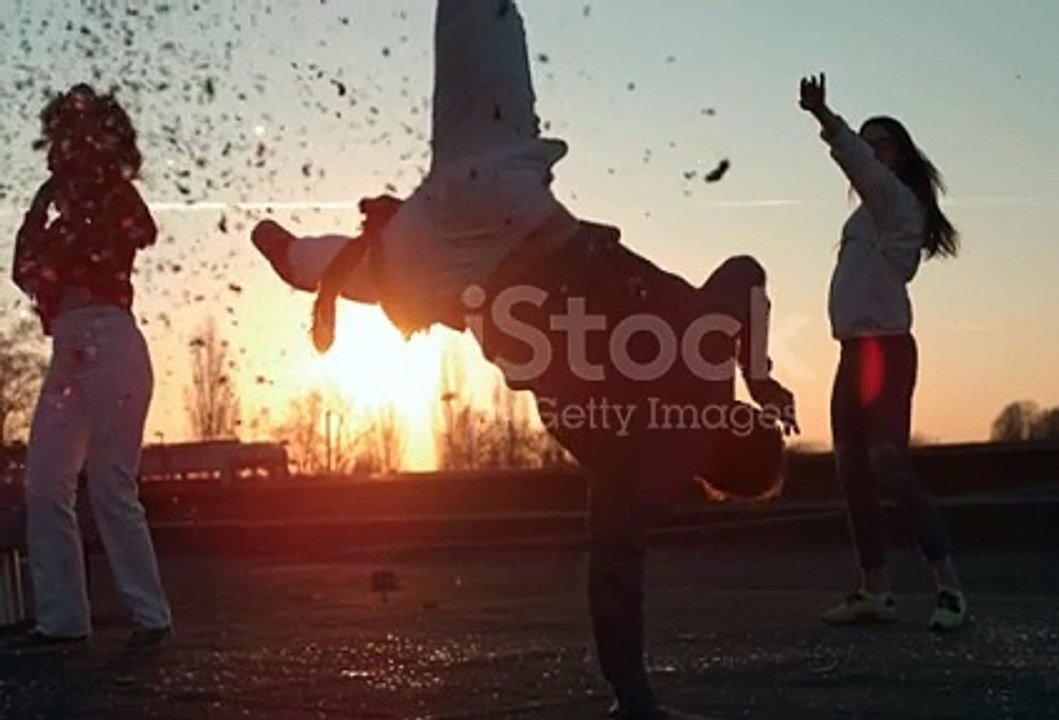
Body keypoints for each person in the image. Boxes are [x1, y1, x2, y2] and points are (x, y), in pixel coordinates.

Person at [250, 2, 796, 717]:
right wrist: (635, 698)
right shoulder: (641, 466)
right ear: (710, 476)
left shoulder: (709, 355)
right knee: (372, 277)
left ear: (746, 423)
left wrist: (760, 373)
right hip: (457, 278)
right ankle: (288, 255)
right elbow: (614, 576)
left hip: (505, 197)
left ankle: (299, 254)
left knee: (479, 17)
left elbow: (747, 272)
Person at [797, 73, 967, 631]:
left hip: (885, 352)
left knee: (886, 462)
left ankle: (949, 591)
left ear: (899, 157)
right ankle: (875, 590)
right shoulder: (865, 216)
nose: (870, 152)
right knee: (851, 470)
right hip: (853, 352)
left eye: (881, 144)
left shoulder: (899, 202)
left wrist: (826, 119)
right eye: (866, 142)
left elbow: (858, 165)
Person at [6, 84, 173, 653]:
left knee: (109, 481)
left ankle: (150, 617)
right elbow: (21, 268)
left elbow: (137, 232)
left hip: (111, 341)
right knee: (46, 481)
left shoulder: (115, 195)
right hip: (69, 350)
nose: (65, 151)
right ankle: (62, 620)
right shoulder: (55, 211)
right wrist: (43, 210)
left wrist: (67, 223)